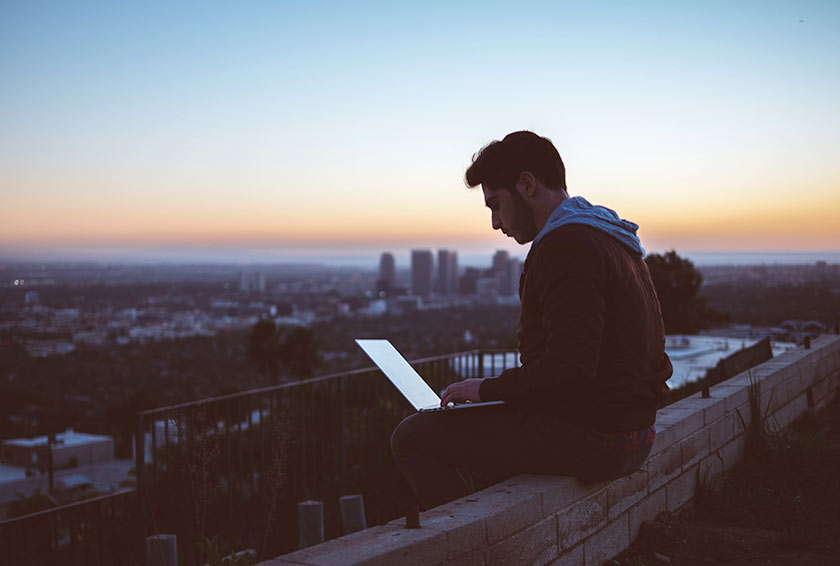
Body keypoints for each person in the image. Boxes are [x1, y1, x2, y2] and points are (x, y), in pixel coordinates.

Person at [390, 130, 673, 510]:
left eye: (495, 205)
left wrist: (486, 390)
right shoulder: (609, 236)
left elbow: (569, 370)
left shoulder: (566, 246)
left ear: (526, 184)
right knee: (481, 432)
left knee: (412, 436)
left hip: (599, 438)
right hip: (634, 431)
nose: (495, 222)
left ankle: (474, 544)